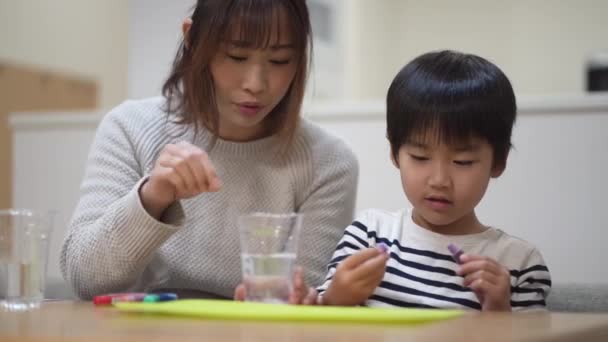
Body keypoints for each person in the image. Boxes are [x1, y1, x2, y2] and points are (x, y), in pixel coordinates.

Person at [61, 0, 358, 300]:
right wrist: (152, 197)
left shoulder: (328, 162)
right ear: (192, 40)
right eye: (236, 56)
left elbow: (305, 298)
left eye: (280, 60)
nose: (255, 83)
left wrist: (301, 298)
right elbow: (86, 279)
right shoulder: (130, 128)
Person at [273, 50, 552, 310]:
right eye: (420, 157)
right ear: (395, 153)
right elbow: (324, 330)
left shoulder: (518, 263)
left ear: (499, 161)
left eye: (462, 162)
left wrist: (499, 313)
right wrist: (335, 298)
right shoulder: (369, 235)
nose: (440, 180)